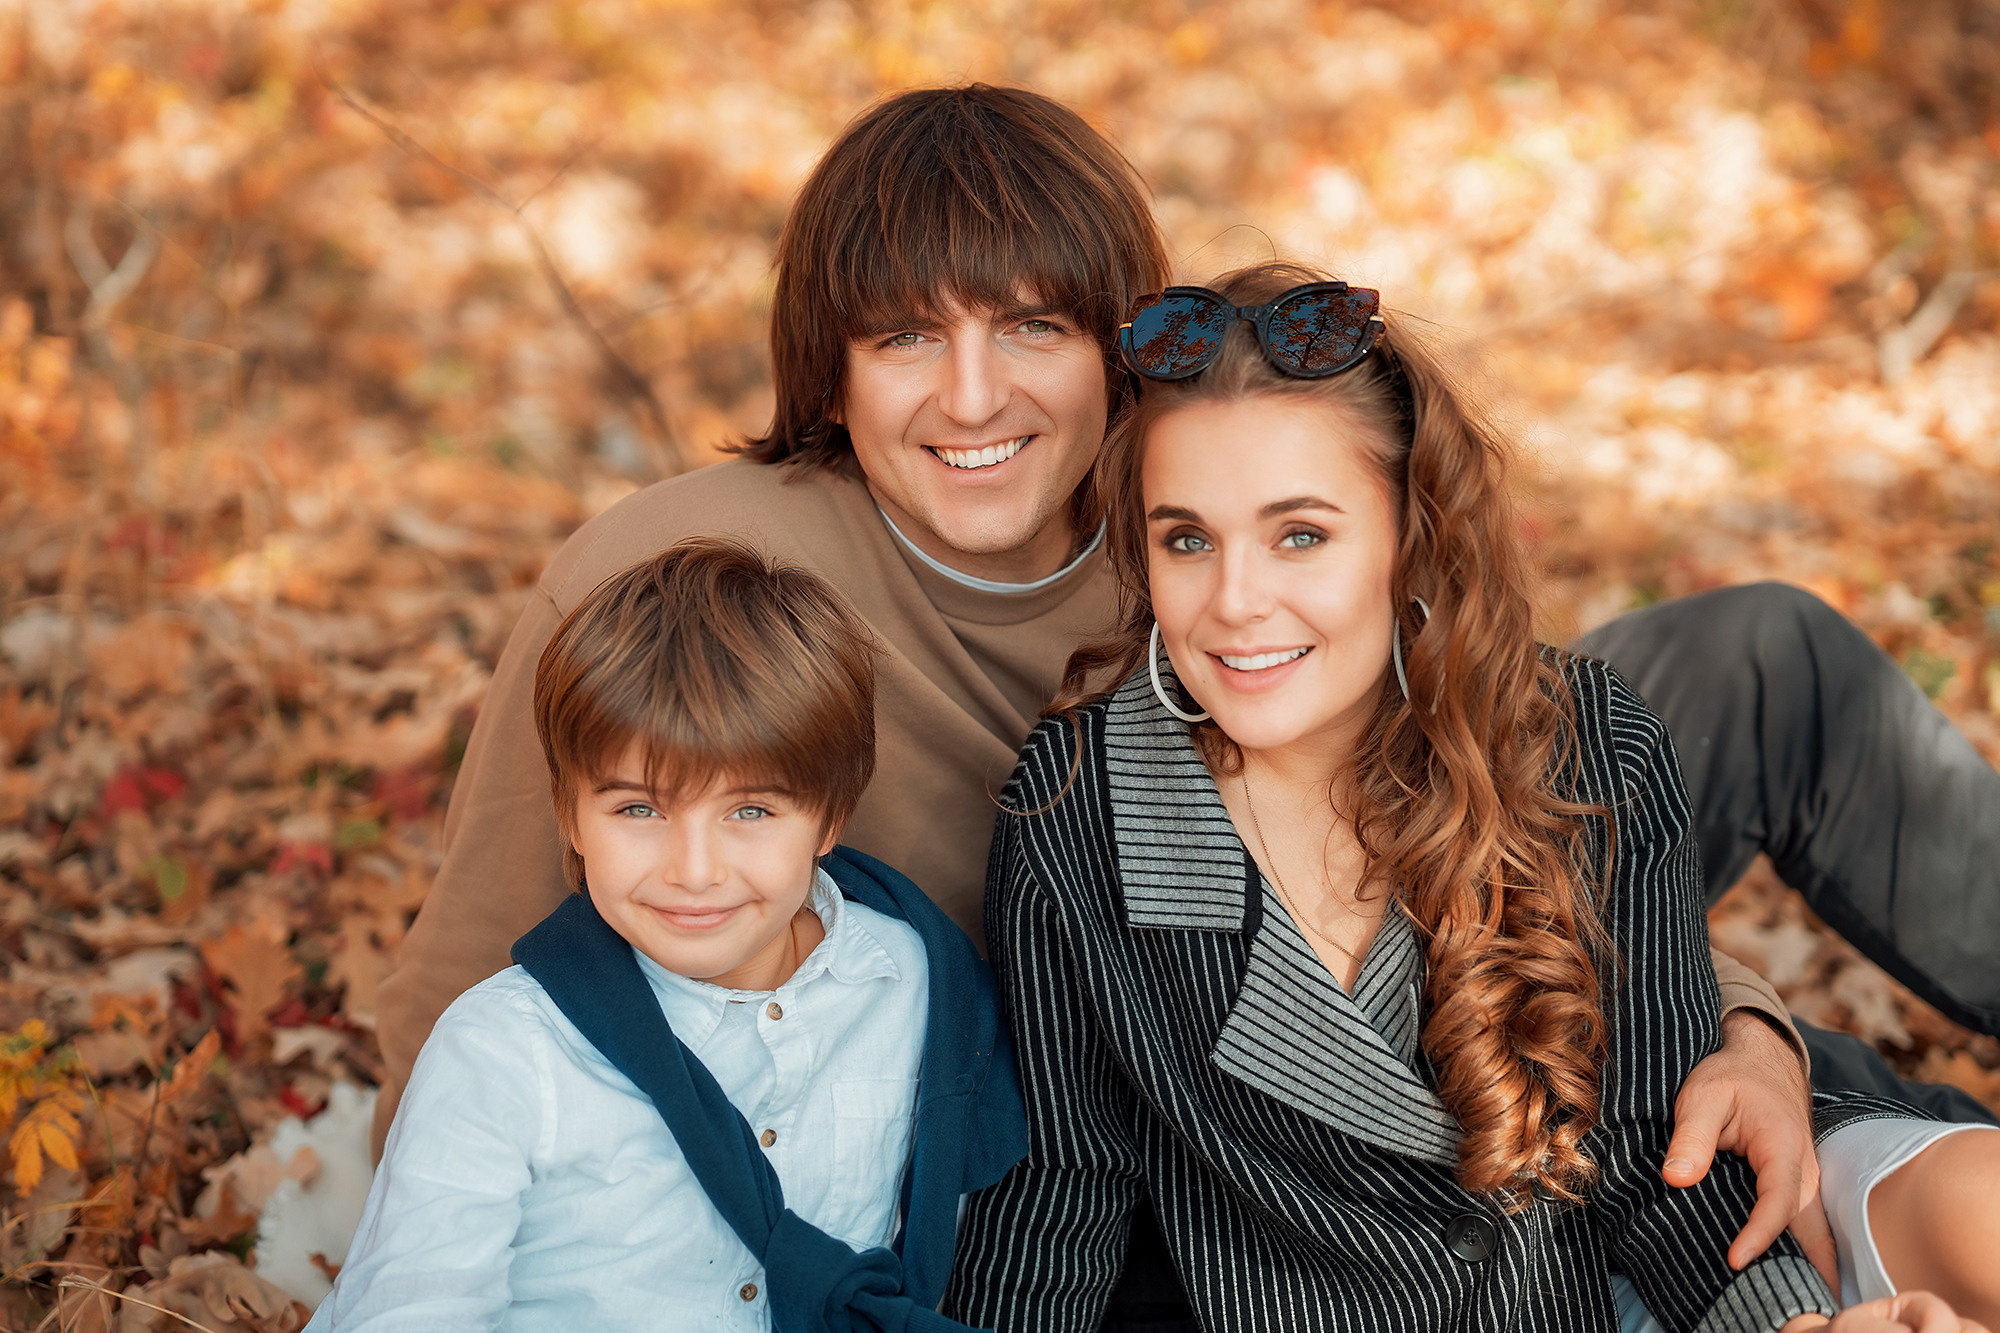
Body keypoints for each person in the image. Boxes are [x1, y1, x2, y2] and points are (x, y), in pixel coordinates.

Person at [367, 85, 1998, 1327]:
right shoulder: (706, 586)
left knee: (1748, 672)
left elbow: (1472, 772)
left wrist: (1749, 1031)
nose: (976, 395)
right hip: (1139, 1081)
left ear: (1115, 356)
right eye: (903, 343)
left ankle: (1826, 1109)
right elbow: (483, 982)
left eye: (1031, 327)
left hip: (1439, 969)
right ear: (830, 369)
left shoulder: (1198, 509)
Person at [939, 263, 2000, 1332]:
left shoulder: (1586, 740)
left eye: (1299, 534)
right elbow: (1062, 1199)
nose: (1234, 602)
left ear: (1410, 537)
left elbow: (1648, 1154)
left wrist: (1780, 1326)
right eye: (1185, 539)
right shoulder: (1077, 807)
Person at [311, 539, 1026, 1330]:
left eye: (750, 811)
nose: (693, 871)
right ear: (569, 814)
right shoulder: (504, 1051)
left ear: (830, 814)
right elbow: (416, 1309)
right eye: (639, 810)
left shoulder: (915, 986)